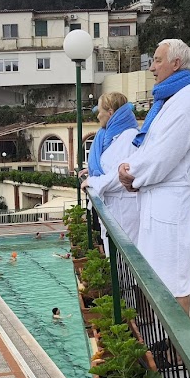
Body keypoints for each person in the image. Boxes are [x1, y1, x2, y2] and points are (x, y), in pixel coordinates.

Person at [117, 38, 190, 314]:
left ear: (176, 63)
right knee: (158, 276)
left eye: (157, 60)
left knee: (175, 281)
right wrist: (131, 168)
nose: (152, 68)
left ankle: (177, 341)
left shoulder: (189, 101)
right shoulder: (170, 100)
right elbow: (150, 146)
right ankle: (159, 335)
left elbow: (163, 155)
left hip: (171, 203)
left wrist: (131, 174)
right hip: (158, 200)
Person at [81, 92, 141, 256]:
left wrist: (92, 181)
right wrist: (92, 171)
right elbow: (111, 164)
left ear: (110, 112)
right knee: (114, 254)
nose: (97, 115)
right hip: (113, 209)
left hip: (124, 210)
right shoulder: (110, 136)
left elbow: (120, 176)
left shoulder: (129, 136)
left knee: (125, 257)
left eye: (99, 111)